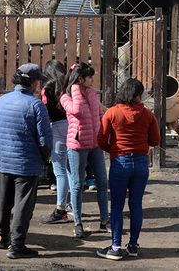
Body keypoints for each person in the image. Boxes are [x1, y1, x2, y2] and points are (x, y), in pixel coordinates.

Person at [0, 64, 52, 259]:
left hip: (6, 161)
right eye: (38, 80)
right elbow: (45, 140)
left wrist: (5, 149)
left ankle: (1, 237)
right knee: (23, 205)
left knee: (3, 201)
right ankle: (17, 245)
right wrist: (44, 158)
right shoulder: (36, 105)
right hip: (27, 163)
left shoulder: (1, 101)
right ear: (32, 82)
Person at [96, 78, 160, 260]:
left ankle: (115, 247)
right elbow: (155, 141)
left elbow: (101, 139)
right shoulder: (148, 115)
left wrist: (115, 150)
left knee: (116, 206)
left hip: (120, 163)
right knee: (136, 204)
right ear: (138, 95)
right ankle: (133, 245)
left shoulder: (112, 113)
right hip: (140, 163)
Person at [60, 62, 109, 238]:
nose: (92, 80)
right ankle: (78, 222)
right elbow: (78, 111)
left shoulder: (92, 93)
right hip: (77, 147)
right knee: (78, 184)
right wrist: (75, 88)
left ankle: (105, 220)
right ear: (80, 79)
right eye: (89, 77)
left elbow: (100, 113)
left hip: (95, 145)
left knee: (102, 182)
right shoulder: (66, 97)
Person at [40, 60, 71, 224]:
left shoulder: (47, 88)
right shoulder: (70, 85)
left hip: (57, 128)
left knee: (60, 171)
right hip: (73, 127)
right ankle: (73, 205)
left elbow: (44, 112)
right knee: (72, 169)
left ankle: (61, 209)